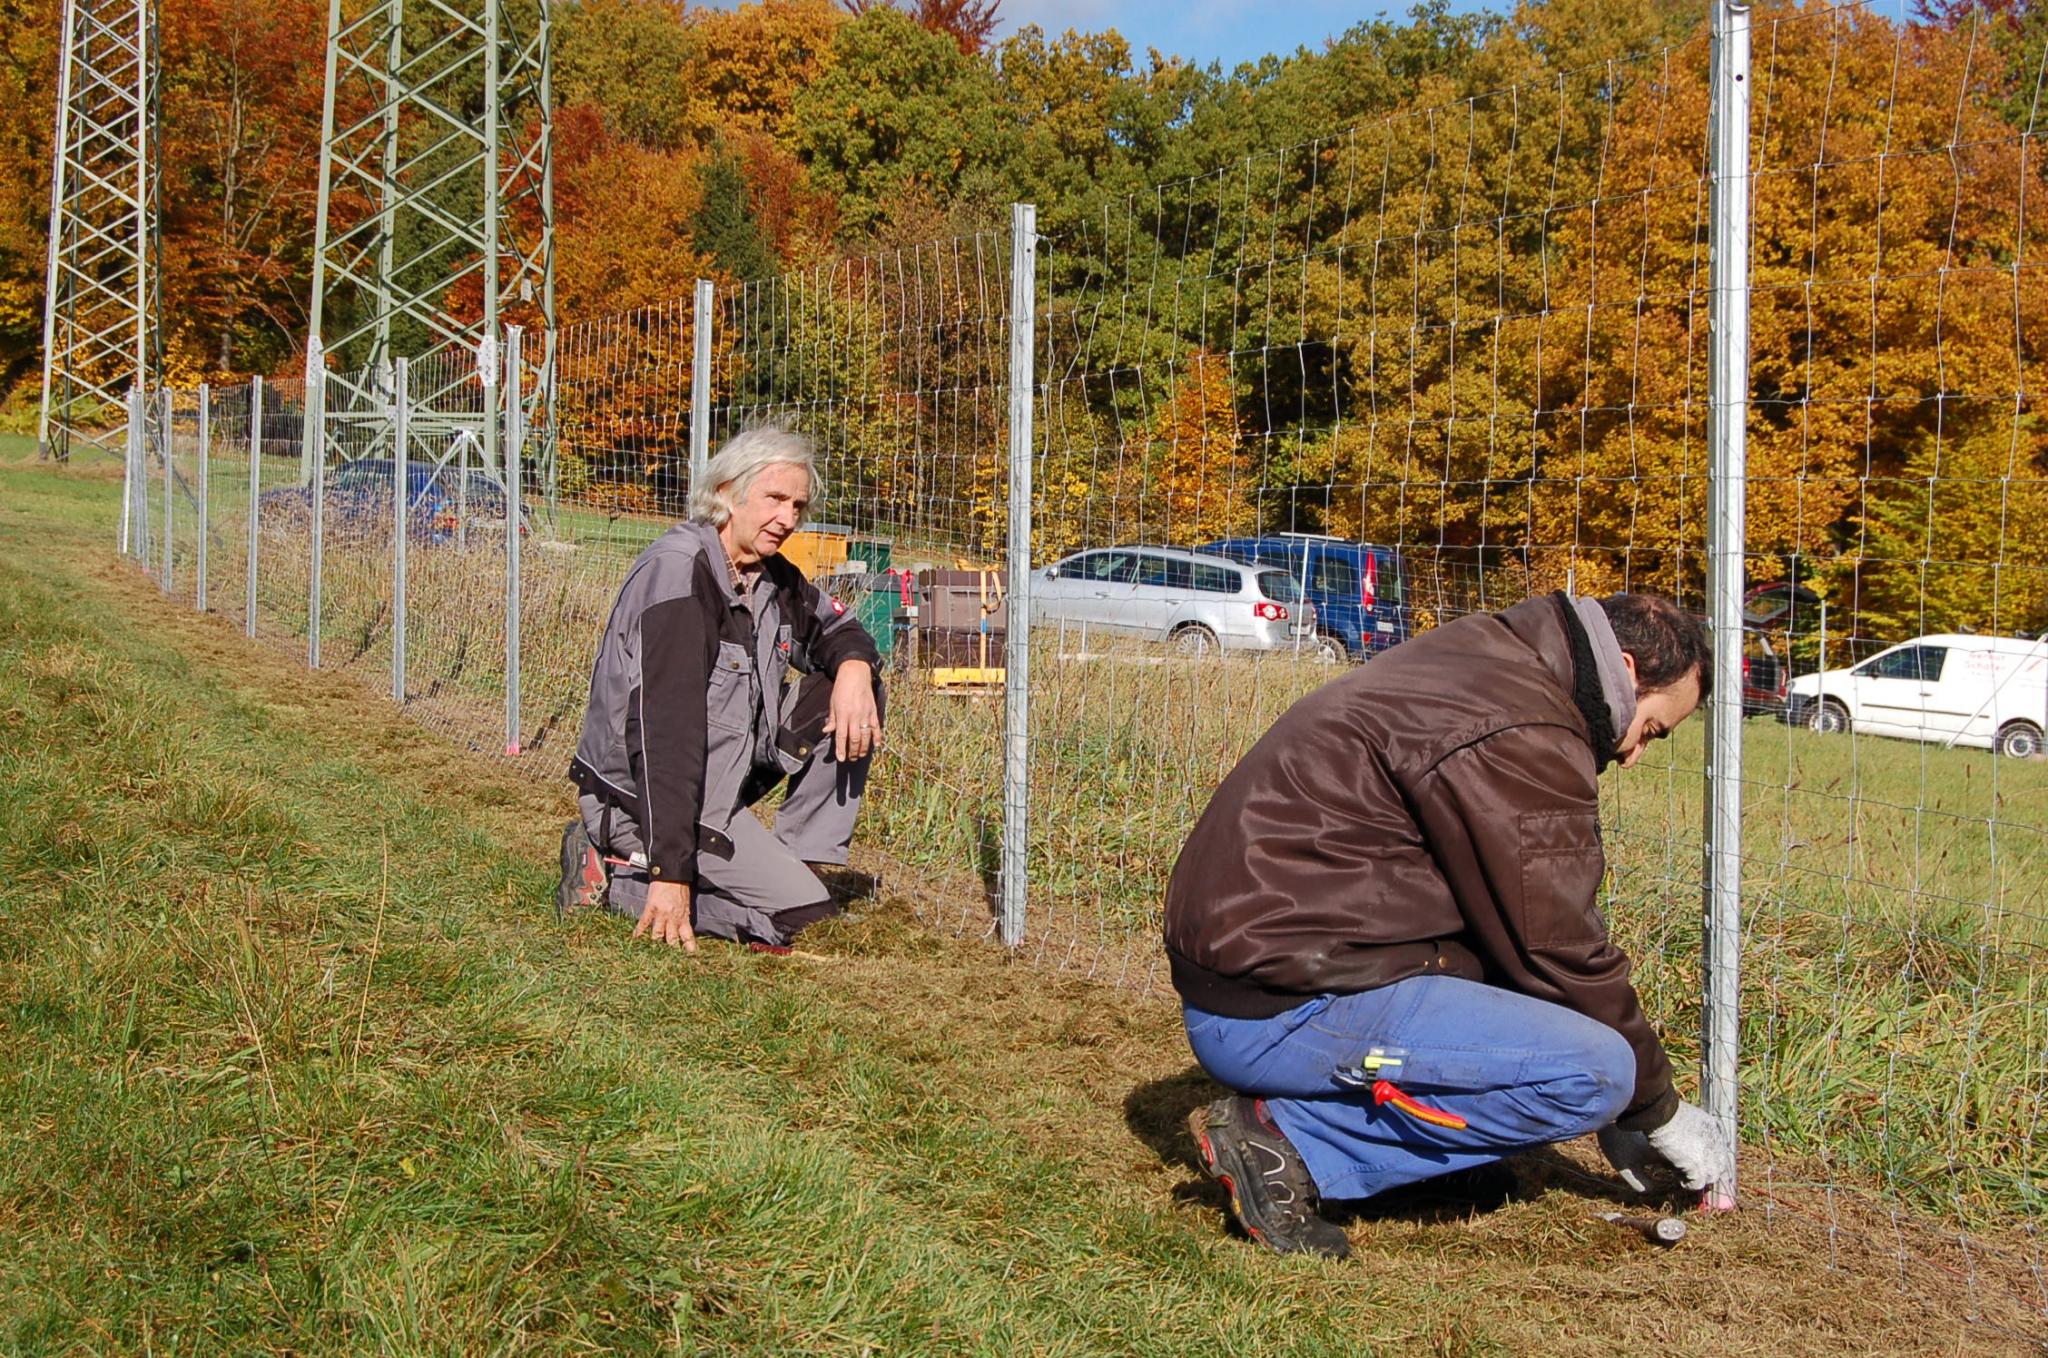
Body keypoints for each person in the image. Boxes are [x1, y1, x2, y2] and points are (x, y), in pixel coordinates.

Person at [1167, 591, 1735, 1258]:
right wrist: (1653, 1107)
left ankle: (1410, 1155)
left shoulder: (1494, 656)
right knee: (1598, 1071)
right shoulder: (1525, 727)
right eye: (1653, 730)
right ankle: (1288, 1140)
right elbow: (1560, 948)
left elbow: (1511, 922)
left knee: (1563, 1046)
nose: (1636, 754)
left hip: (1264, 964)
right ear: (1630, 671)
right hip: (1275, 1008)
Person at [558, 425, 884, 952]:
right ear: (728, 491)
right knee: (803, 919)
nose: (788, 519)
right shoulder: (681, 577)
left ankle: (795, 857)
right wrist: (672, 870)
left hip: (718, 785)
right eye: (775, 498)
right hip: (642, 799)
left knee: (858, 682)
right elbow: (664, 733)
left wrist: (853, 671)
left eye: (798, 505)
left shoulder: (769, 575)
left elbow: (839, 630)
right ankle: (618, 880)